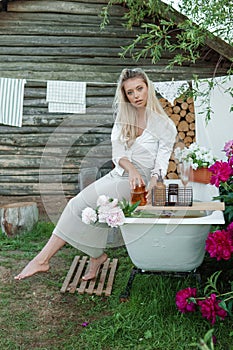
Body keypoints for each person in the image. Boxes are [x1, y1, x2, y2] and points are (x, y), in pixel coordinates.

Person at [15, 68, 177, 281]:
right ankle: (96, 257)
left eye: (140, 89)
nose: (136, 95)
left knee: (77, 205)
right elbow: (117, 154)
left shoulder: (164, 125)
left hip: (139, 186)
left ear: (148, 88)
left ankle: (42, 260)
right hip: (119, 175)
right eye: (130, 92)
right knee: (95, 211)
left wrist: (152, 181)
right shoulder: (123, 119)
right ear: (125, 95)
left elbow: (161, 163)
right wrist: (131, 169)